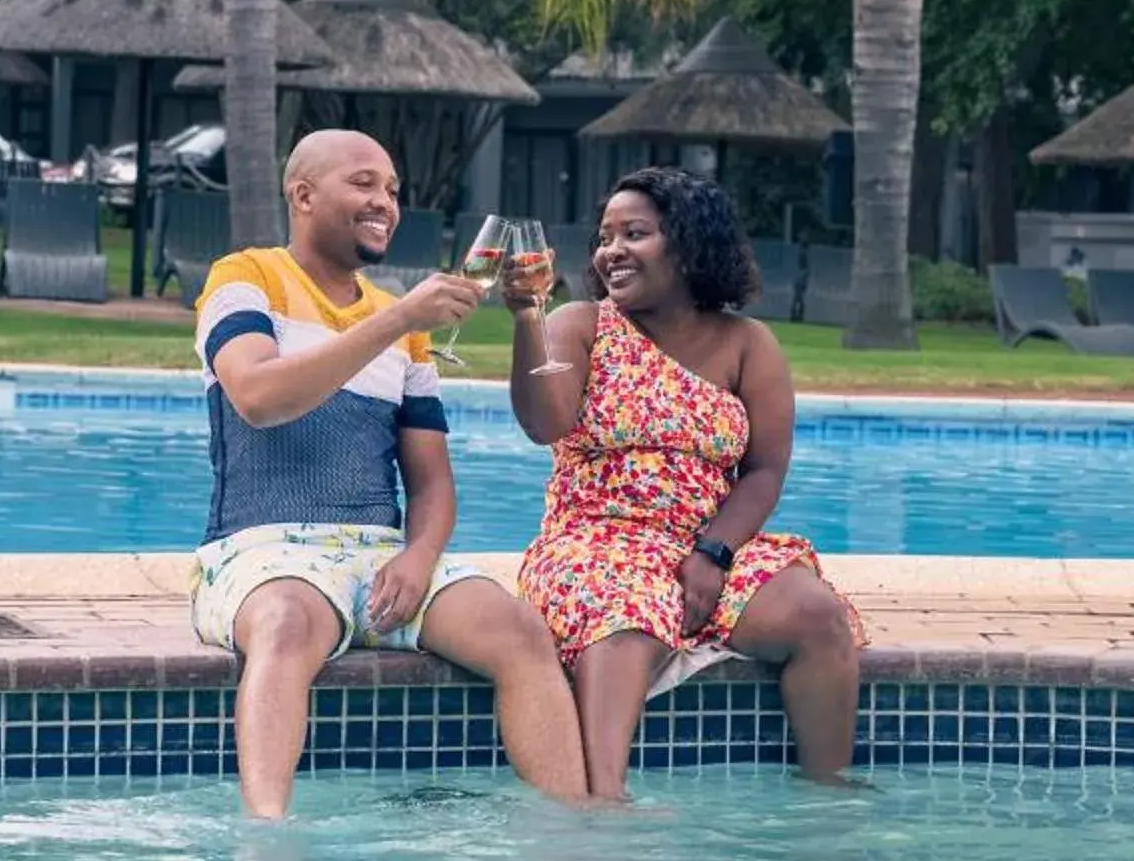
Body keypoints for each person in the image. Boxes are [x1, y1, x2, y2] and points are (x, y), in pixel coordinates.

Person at [193, 128, 589, 817]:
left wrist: (418, 556)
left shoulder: (404, 329)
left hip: (381, 555)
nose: (385, 202)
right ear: (304, 194)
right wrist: (399, 315)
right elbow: (258, 398)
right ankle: (267, 848)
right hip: (260, 550)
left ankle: (575, 842)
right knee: (286, 624)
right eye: (365, 183)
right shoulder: (244, 278)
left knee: (523, 631)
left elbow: (431, 481)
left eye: (394, 190)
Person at [505, 165, 866, 800]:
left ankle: (827, 801)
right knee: (626, 614)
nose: (611, 249)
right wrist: (528, 316)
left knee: (816, 615)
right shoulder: (582, 324)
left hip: (708, 541)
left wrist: (714, 552)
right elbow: (545, 424)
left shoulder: (747, 343)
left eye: (634, 233)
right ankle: (602, 804)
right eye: (605, 235)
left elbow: (763, 470)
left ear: (689, 242)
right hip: (594, 542)